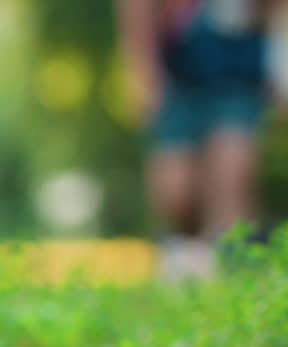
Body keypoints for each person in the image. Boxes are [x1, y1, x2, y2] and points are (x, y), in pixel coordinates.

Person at [117, 0, 281, 277]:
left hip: (239, 71)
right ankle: (184, 251)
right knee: (176, 191)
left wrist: (280, 60)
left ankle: (233, 264)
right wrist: (143, 71)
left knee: (234, 169)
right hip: (179, 75)